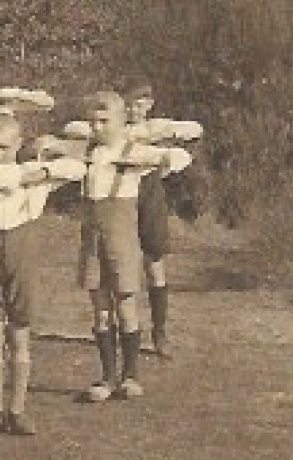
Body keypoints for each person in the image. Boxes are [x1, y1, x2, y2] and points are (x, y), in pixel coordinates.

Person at [39, 92, 193, 403]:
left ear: (122, 122)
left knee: (125, 303)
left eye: (105, 121)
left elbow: (180, 157)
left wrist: (162, 159)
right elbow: (54, 148)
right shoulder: (88, 151)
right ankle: (107, 377)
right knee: (100, 307)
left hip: (121, 236)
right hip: (92, 237)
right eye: (94, 121)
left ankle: (131, 375)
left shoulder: (133, 152)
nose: (98, 127)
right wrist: (47, 147)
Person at [64, 81, 204, 358]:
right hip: (114, 199)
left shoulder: (152, 128)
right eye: (130, 104)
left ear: (149, 105)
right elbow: (73, 130)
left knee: (153, 258)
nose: (135, 109)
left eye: (141, 103)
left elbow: (191, 132)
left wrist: (158, 139)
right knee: (112, 265)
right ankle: (121, 341)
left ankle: (159, 332)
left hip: (146, 191)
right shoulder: (104, 134)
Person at [0, 114, 85, 437]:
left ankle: (17, 409)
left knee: (19, 335)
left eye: (5, 147)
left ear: (18, 146)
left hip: (22, 258)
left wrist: (43, 169)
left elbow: (78, 168)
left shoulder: (29, 177)